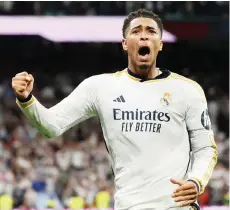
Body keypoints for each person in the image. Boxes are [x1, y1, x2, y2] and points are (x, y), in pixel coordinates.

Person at [11, 8, 218, 210]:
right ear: (125, 44)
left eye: (151, 31)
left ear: (160, 44)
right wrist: (26, 99)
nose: (144, 37)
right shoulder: (99, 88)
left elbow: (205, 148)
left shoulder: (187, 90)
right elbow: (52, 126)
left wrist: (196, 181)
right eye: (136, 31)